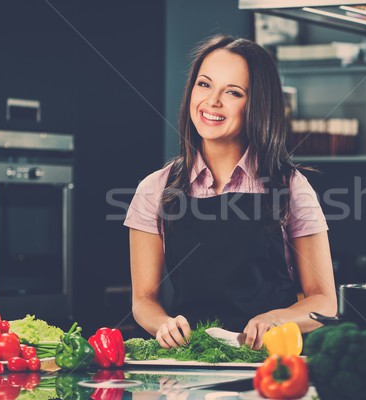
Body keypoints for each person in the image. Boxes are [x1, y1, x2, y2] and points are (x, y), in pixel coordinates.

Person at [124, 34, 337, 350]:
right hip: (192, 366)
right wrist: (163, 325)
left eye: (233, 92)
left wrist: (278, 318)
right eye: (205, 85)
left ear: (256, 105)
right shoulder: (154, 188)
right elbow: (144, 299)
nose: (212, 102)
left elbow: (324, 301)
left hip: (271, 366)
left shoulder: (290, 186)